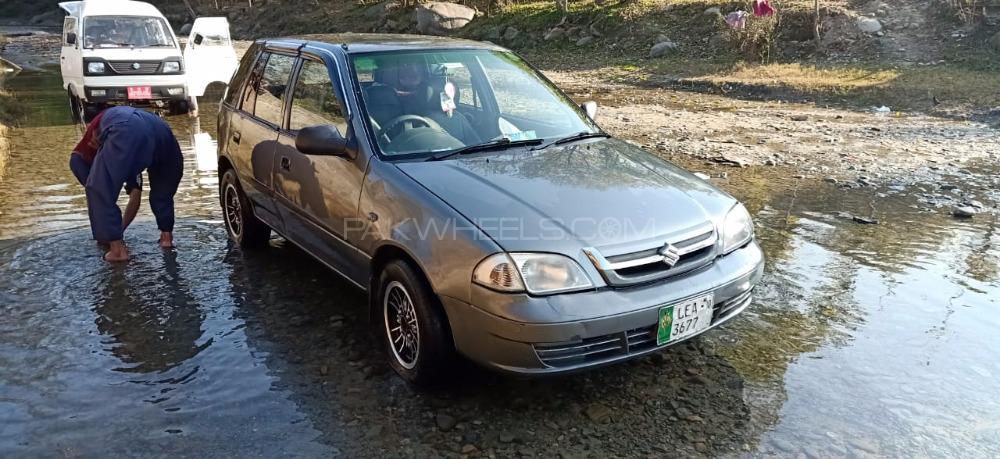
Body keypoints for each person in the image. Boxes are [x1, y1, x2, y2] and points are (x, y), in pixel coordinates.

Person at [69, 106, 183, 262]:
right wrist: (118, 230)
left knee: (98, 190)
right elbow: (135, 196)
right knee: (163, 194)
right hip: (162, 131)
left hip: (126, 127)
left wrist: (112, 236)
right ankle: (166, 239)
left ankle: (117, 252)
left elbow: (98, 190)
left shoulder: (86, 151)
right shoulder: (125, 153)